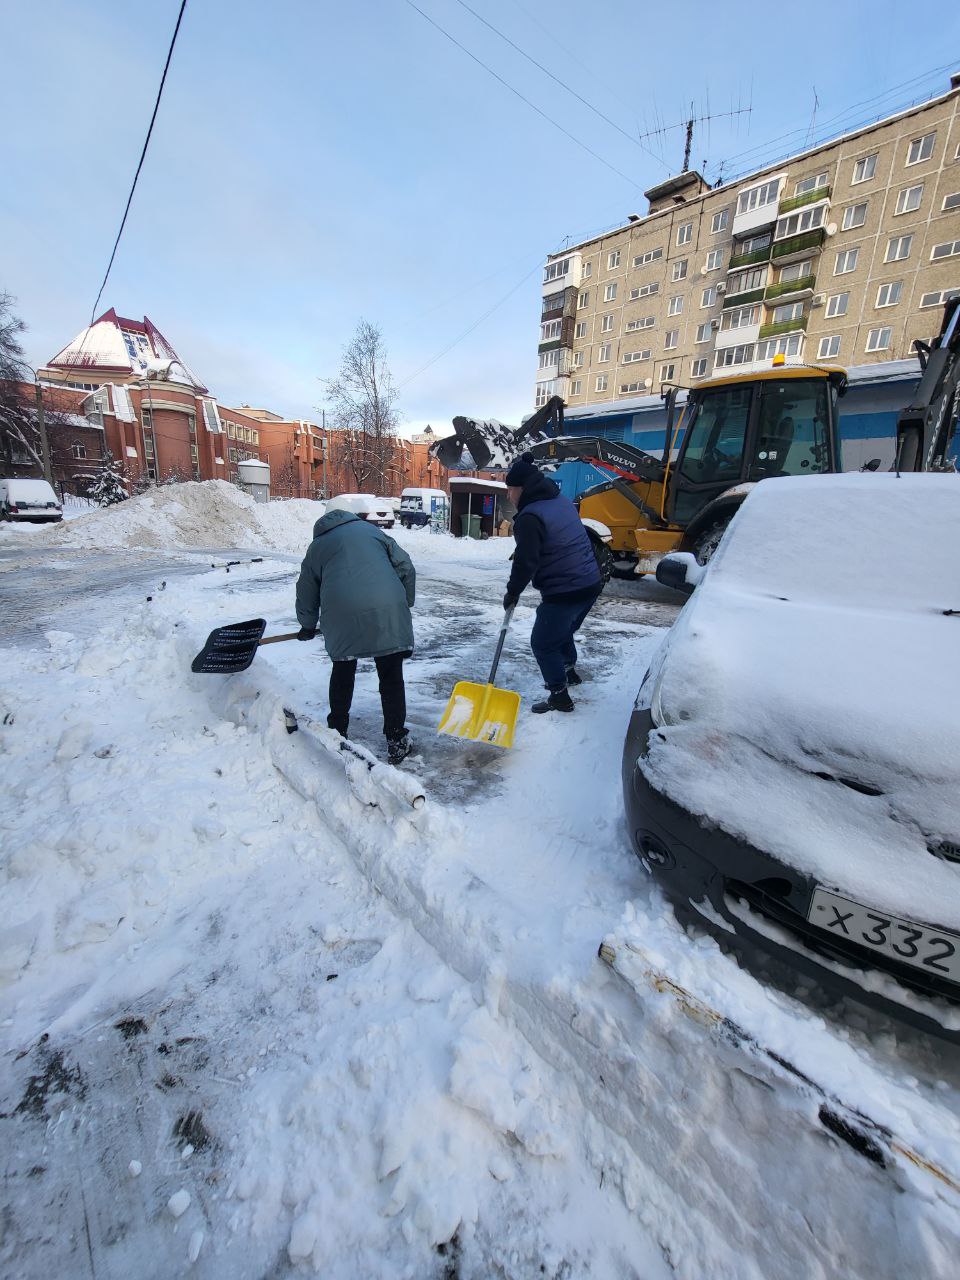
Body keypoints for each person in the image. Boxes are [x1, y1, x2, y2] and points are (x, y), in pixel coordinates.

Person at [295, 508, 416, 764]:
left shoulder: (317, 546)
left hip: (342, 612)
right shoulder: (373, 532)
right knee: (391, 675)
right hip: (387, 608)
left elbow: (306, 588)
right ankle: (396, 740)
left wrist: (307, 624)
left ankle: (337, 731)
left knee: (343, 668)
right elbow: (405, 566)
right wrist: (404, 602)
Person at [502, 452, 602, 714]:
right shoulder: (559, 500)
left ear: (521, 489)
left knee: (544, 643)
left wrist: (512, 592)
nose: (508, 496)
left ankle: (559, 696)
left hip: (565, 589)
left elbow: (526, 562)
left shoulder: (530, 517)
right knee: (563, 630)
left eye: (510, 490)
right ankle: (569, 671)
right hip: (590, 583)